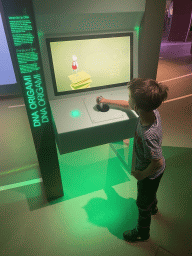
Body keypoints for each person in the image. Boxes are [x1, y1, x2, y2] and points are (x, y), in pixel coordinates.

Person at [96, 78, 169, 242]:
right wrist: (105, 101)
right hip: (155, 172)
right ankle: (154, 207)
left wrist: (142, 174)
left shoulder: (149, 134)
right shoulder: (151, 111)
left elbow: (157, 161)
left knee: (142, 203)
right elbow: (127, 104)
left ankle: (142, 232)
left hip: (149, 173)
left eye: (129, 97)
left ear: (136, 107)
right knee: (150, 194)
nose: (128, 100)